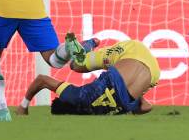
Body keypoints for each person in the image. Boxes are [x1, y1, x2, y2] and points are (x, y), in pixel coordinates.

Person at [16, 34, 160, 116]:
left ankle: (86, 44)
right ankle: (85, 47)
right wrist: (24, 105)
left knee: (76, 65)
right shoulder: (78, 96)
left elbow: (146, 107)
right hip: (133, 60)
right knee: (76, 66)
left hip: (151, 73)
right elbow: (43, 81)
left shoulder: (78, 99)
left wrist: (128, 110)